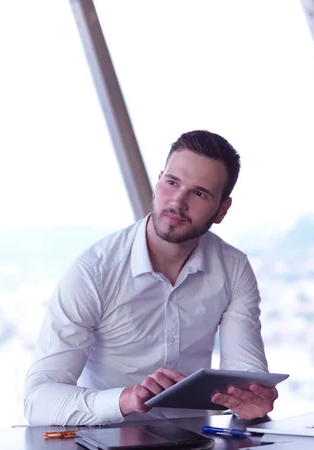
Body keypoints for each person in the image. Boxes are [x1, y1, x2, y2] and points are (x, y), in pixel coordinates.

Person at [23, 130, 277, 426]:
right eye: (172, 183)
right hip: (107, 440)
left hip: (197, 443)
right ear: (158, 181)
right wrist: (127, 398)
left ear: (222, 210)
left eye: (199, 193)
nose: (177, 202)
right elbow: (37, 402)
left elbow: (244, 379)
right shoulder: (93, 272)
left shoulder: (233, 268)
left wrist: (252, 401)